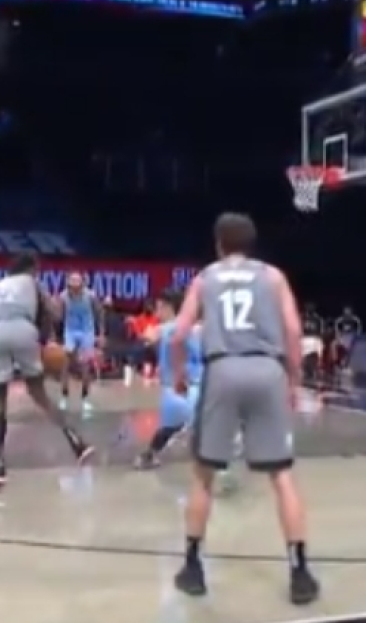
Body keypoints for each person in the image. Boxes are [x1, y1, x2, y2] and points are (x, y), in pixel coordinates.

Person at [168, 212, 319, 605]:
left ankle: (192, 568)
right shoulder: (273, 276)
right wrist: (293, 378)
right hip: (267, 369)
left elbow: (179, 334)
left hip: (223, 370)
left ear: (219, 243)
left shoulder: (206, 278)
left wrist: (180, 374)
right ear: (251, 244)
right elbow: (293, 331)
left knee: (204, 475)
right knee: (281, 476)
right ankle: (300, 573)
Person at [0, 255, 95, 491]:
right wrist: (47, 337)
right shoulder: (33, 282)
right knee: (39, 394)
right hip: (23, 332)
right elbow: (54, 313)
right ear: (31, 269)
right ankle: (76, 441)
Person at [133, 288, 203, 469]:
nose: (156, 311)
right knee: (179, 424)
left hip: (185, 385)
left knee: (177, 424)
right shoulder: (192, 327)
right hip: (188, 384)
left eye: (158, 307)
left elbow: (147, 338)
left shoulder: (169, 328)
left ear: (168, 307)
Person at [57, 272, 102, 413]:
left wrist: (101, 334)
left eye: (78, 283)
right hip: (70, 331)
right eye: (72, 283)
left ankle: (85, 397)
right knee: (66, 362)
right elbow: (58, 317)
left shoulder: (91, 296)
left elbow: (99, 313)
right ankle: (64, 395)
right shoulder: (63, 297)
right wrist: (55, 336)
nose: (75, 286)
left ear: (82, 284)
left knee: (85, 364)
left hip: (87, 331)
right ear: (68, 285)